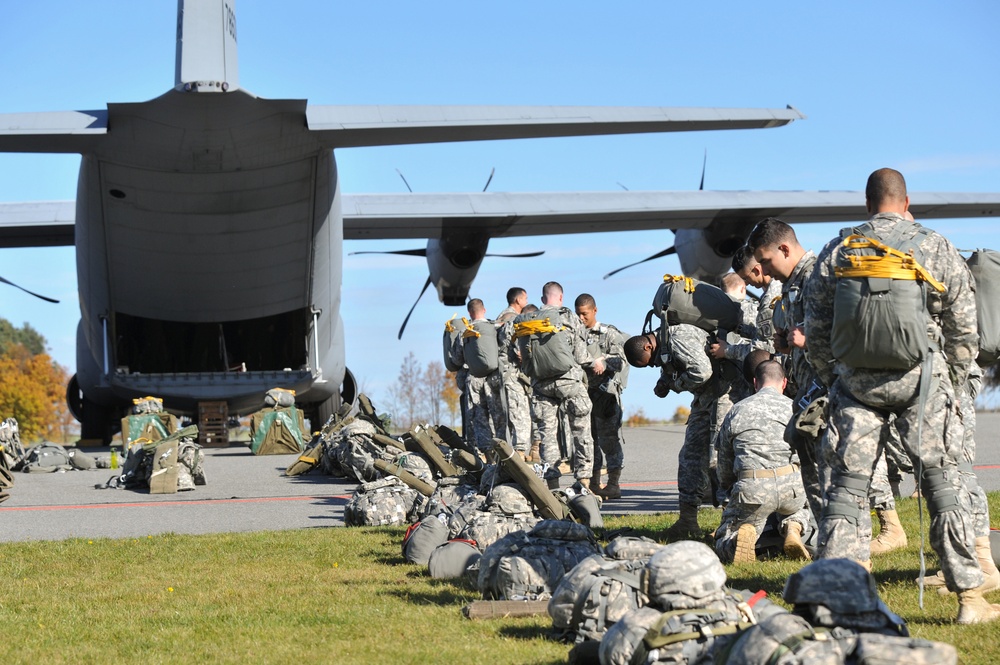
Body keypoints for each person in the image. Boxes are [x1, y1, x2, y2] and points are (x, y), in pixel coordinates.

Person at [804, 167, 999, 623]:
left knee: (847, 491)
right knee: (942, 485)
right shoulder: (934, 245)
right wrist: (948, 375)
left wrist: (834, 374)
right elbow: (964, 326)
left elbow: (815, 329)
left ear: (868, 203)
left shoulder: (838, 249)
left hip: (856, 386)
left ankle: (841, 597)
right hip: (923, 381)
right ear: (905, 202)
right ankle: (970, 599)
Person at [746, 218, 825, 526]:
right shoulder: (794, 283)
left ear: (784, 248)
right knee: (813, 472)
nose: (764, 272)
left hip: (827, 394)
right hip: (807, 393)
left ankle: (844, 547)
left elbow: (845, 331)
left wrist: (808, 340)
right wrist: (789, 343)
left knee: (832, 476)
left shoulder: (820, 276)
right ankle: (826, 539)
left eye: (766, 261)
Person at [713, 360, 815, 563]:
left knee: (724, 536)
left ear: (754, 382)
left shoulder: (736, 410)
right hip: (791, 484)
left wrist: (728, 489)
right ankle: (794, 525)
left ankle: (737, 538)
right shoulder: (794, 408)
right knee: (803, 507)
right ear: (784, 382)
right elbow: (809, 453)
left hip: (754, 488)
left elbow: (723, 461)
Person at [624, 324, 717, 539]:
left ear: (648, 346)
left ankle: (731, 526)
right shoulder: (663, 344)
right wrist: (664, 382)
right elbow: (676, 365)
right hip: (705, 400)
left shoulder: (677, 338)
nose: (653, 365)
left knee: (720, 460)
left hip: (724, 397)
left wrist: (676, 385)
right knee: (689, 457)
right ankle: (688, 521)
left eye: (649, 363)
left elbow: (702, 371)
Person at [514, 282, 595, 487]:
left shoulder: (528, 319)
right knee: (581, 430)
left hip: (541, 385)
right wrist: (596, 362)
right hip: (569, 382)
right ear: (561, 297)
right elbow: (580, 355)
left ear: (543, 299)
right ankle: (584, 482)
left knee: (546, 435)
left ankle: (552, 487)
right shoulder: (568, 317)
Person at [574, 293, 629, 499]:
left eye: (585, 314)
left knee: (609, 441)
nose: (581, 318)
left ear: (594, 311)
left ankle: (613, 484)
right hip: (583, 397)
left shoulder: (608, 334)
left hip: (605, 397)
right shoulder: (574, 336)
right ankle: (594, 483)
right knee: (588, 441)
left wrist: (603, 362)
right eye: (578, 314)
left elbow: (621, 361)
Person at [451, 298, 506, 454]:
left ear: (469, 313)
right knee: (498, 416)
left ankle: (486, 454)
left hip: (473, 377)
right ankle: (503, 452)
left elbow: (457, 359)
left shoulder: (464, 332)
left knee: (479, 417)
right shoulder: (494, 328)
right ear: (485, 310)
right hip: (494, 377)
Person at [495, 287, 533, 457]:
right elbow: (520, 352)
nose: (526, 302)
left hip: (499, 373)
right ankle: (520, 454)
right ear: (518, 300)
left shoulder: (501, 316)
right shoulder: (514, 319)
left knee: (506, 416)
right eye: (525, 298)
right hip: (512, 373)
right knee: (519, 414)